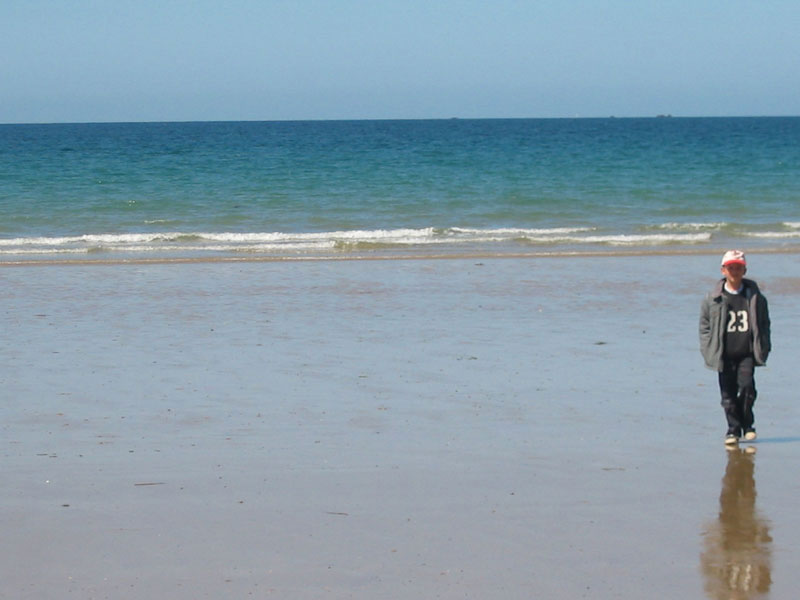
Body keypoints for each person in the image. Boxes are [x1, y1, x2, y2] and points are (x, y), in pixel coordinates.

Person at [699, 250, 771, 445]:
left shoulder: (755, 296)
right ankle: (733, 429)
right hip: (724, 354)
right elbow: (704, 326)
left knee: (747, 388)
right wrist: (708, 349)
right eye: (731, 267)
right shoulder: (712, 298)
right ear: (723, 270)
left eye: (738, 267)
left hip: (746, 353)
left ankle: (748, 425)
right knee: (728, 396)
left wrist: (764, 347)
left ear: (744, 270)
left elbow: (764, 324)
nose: (734, 271)